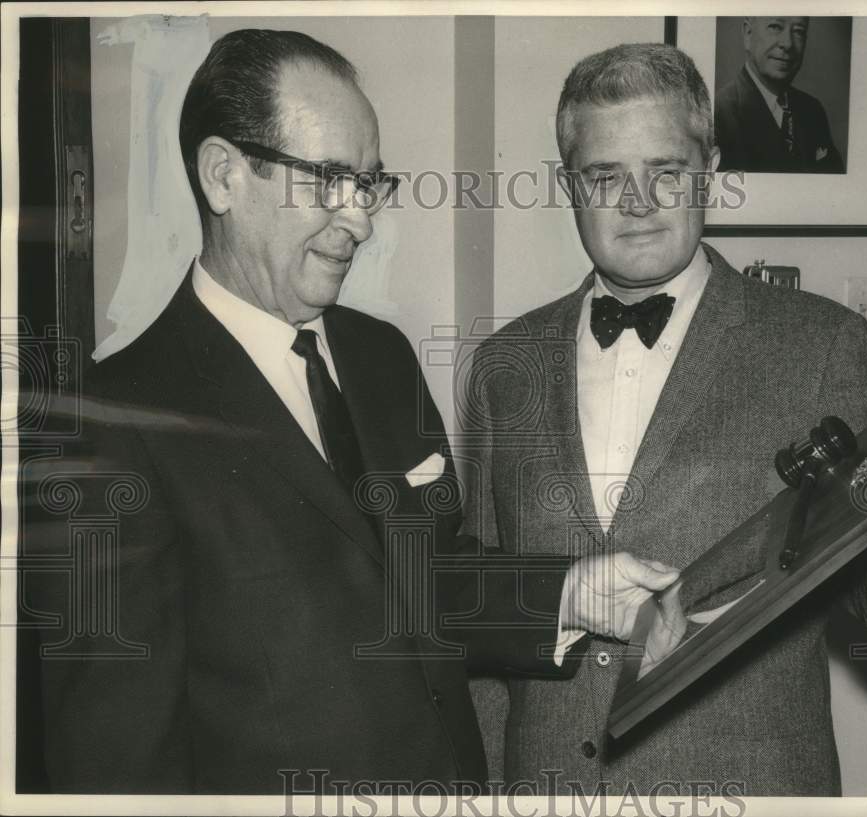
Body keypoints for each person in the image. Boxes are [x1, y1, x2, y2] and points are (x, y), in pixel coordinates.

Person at [22, 29, 679, 795]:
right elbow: (115, 765)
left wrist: (570, 593)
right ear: (224, 176)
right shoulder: (109, 423)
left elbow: (429, 575)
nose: (360, 220)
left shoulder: (381, 355)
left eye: (368, 184)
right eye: (330, 180)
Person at [465, 42, 867, 796]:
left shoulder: (821, 344)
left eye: (666, 171)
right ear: (568, 185)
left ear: (710, 171)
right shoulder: (504, 364)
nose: (637, 201)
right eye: (606, 175)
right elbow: (481, 624)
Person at [715, 17, 845, 172]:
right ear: (748, 34)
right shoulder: (718, 114)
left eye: (798, 31)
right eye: (775, 27)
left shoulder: (813, 110)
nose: (788, 44)